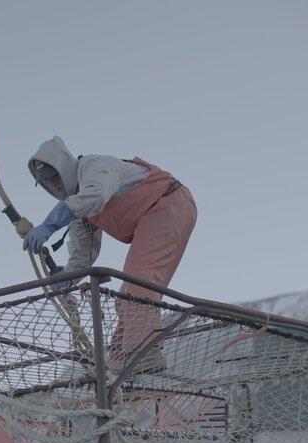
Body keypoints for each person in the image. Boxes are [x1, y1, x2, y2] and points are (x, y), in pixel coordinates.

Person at [23, 136, 198, 373]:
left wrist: (50, 225)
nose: (53, 184)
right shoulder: (79, 208)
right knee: (126, 295)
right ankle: (120, 356)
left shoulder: (93, 168)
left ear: (64, 167)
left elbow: (93, 196)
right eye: (46, 182)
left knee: (141, 278)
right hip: (154, 215)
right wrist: (68, 277)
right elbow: (83, 254)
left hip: (167, 202)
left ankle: (143, 353)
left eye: (54, 176)